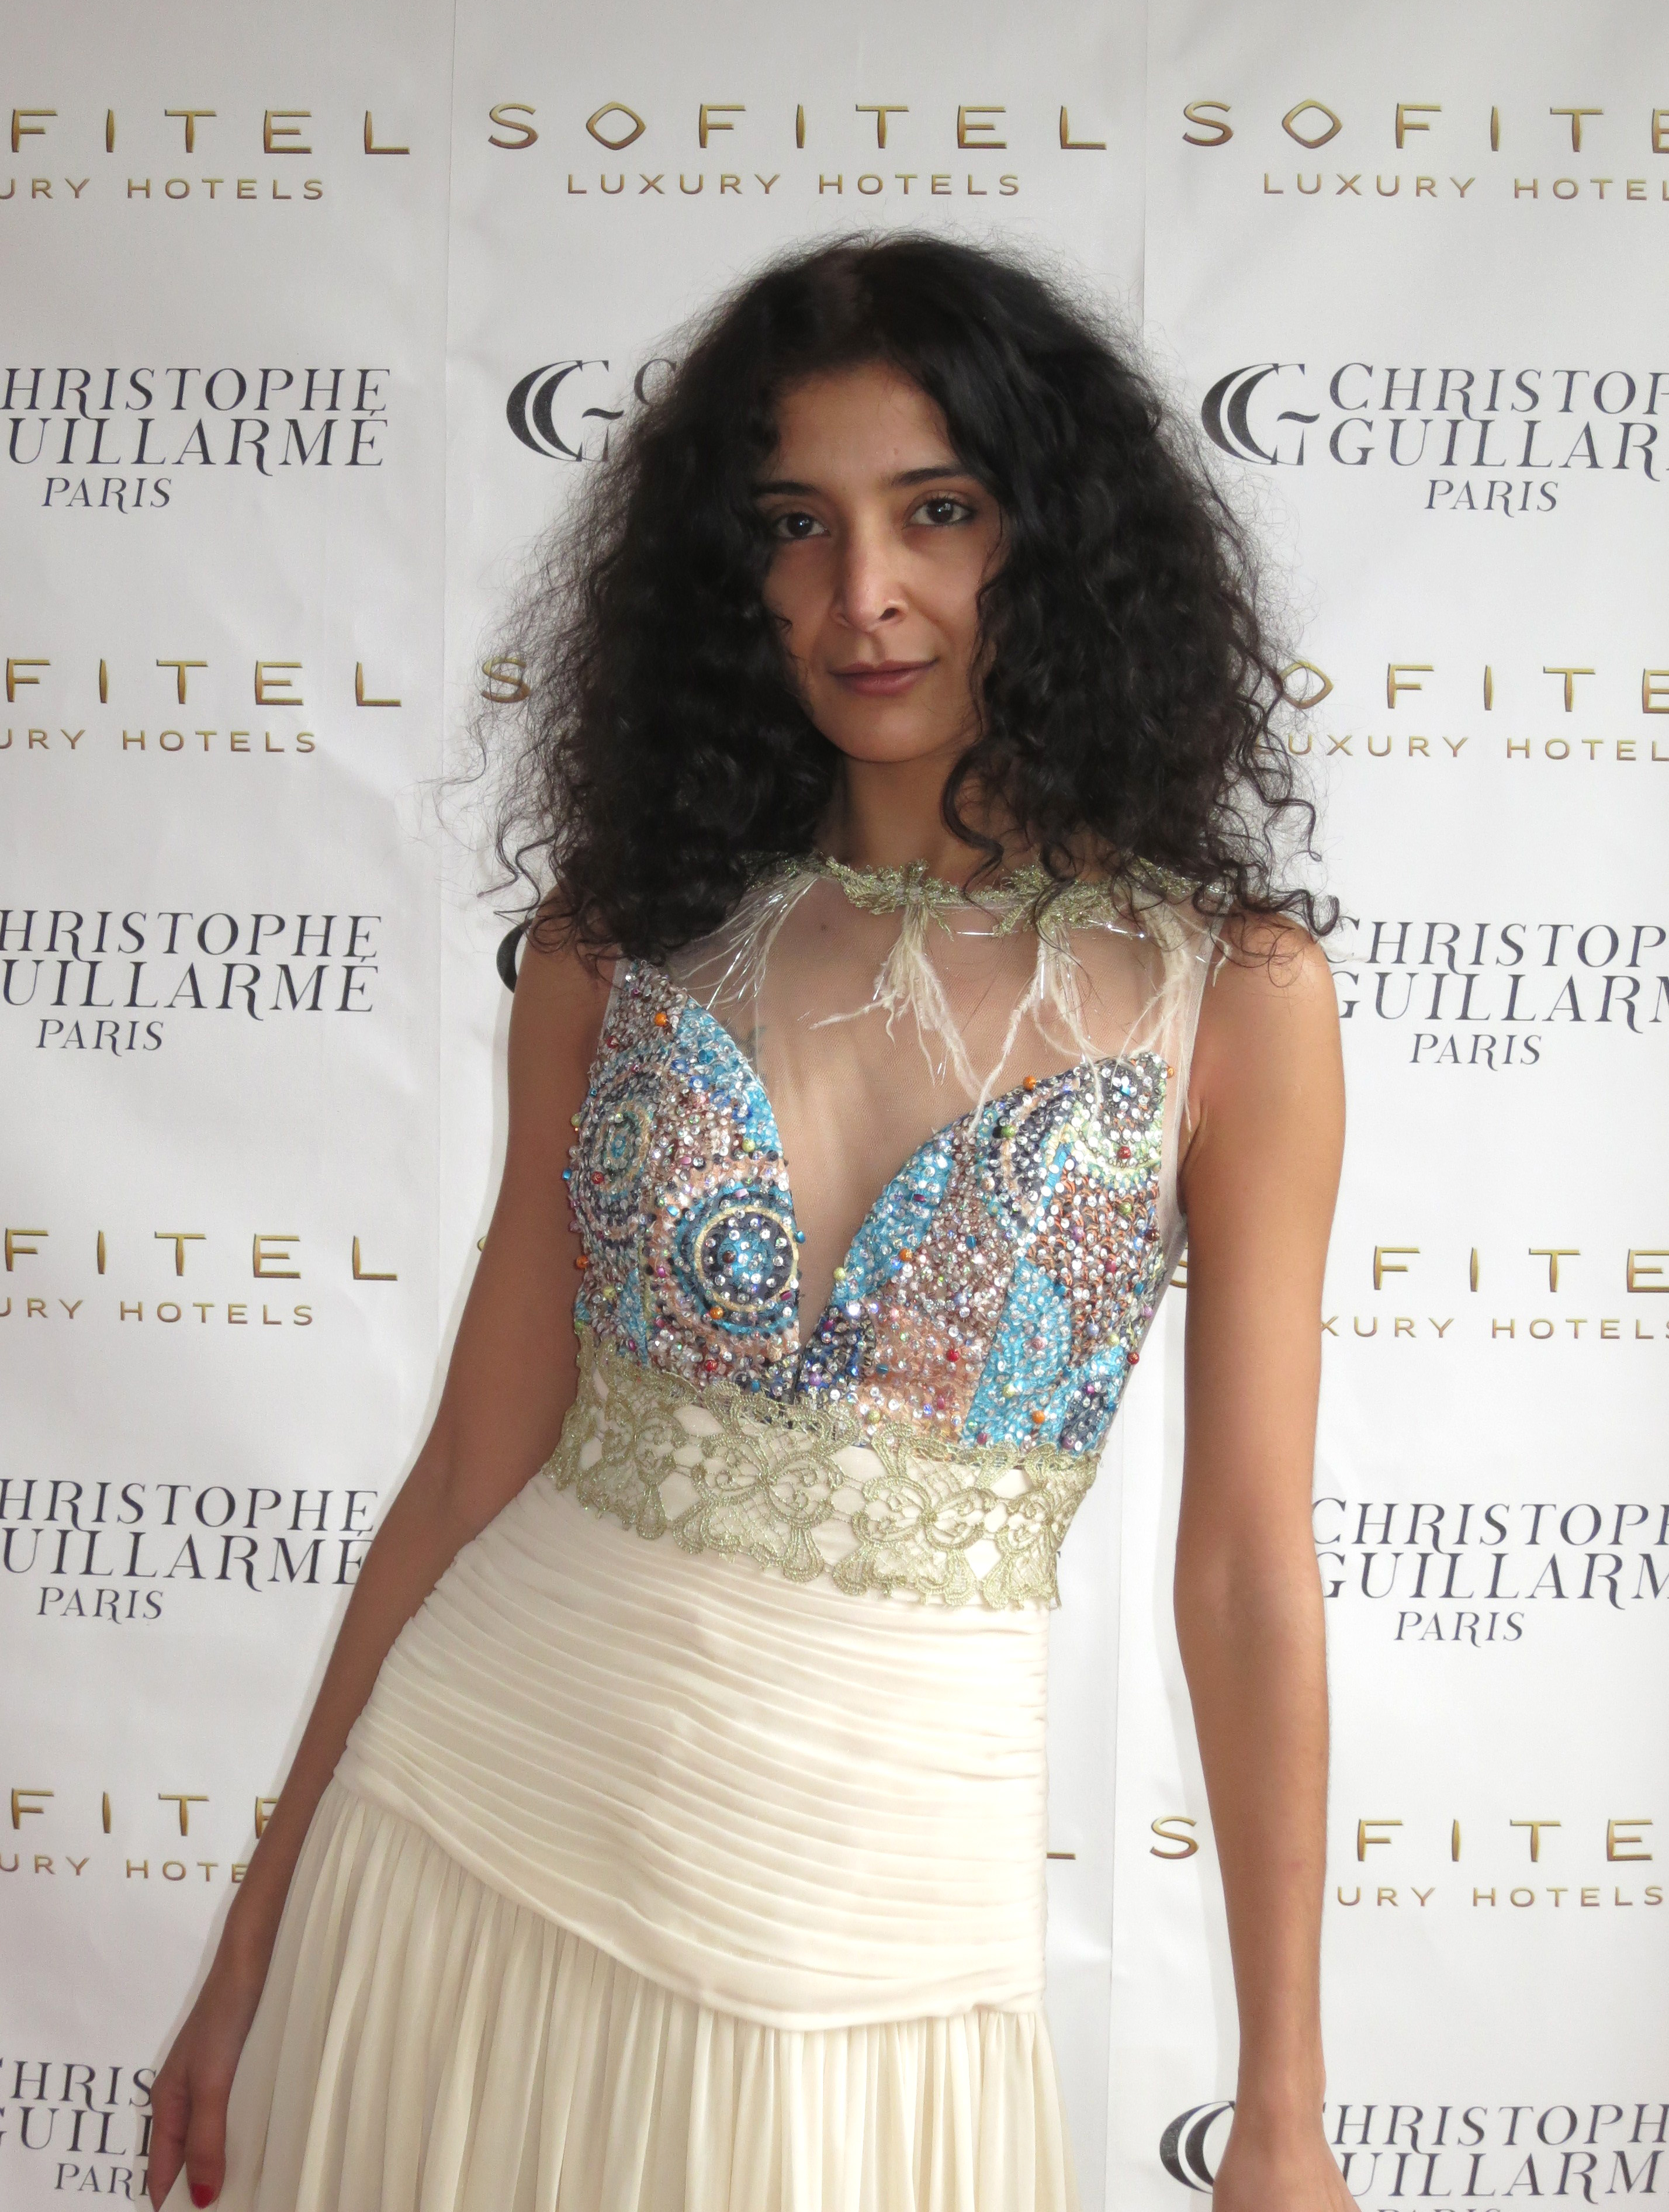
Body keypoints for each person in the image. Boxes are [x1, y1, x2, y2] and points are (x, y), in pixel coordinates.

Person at [149, 234, 1347, 2212]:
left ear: (1054, 539)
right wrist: (251, 1939)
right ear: (731, 570)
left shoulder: (1234, 996)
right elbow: (469, 1466)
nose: (862, 593)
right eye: (797, 525)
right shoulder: (613, 953)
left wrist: (1282, 2105)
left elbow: (1242, 1570)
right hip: (466, 1836)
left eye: (936, 512)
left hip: (878, 1941)